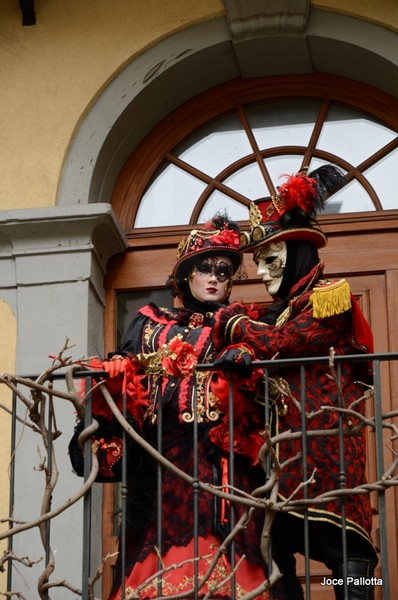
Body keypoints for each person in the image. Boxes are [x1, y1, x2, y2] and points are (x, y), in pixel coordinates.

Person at [69, 213, 269, 600]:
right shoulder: (148, 324)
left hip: (223, 464)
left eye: (224, 272)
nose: (214, 278)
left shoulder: (242, 325)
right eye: (204, 268)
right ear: (186, 275)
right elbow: (128, 387)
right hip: (163, 464)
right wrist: (115, 375)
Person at [212, 166, 378, 600]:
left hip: (327, 456)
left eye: (271, 261)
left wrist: (233, 325)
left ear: (298, 252)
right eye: (259, 263)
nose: (264, 275)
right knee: (270, 554)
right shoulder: (276, 310)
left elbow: (286, 343)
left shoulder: (330, 298)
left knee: (349, 554)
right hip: (279, 466)